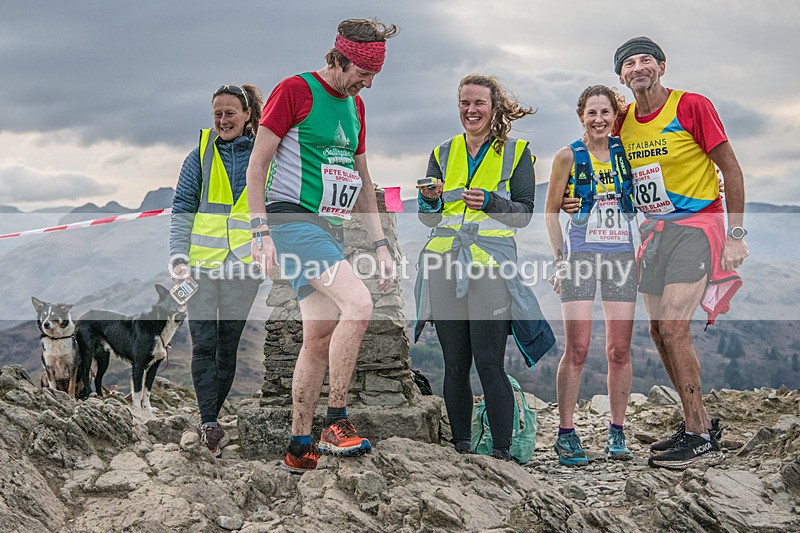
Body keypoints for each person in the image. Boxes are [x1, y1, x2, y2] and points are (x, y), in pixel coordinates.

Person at [245, 18, 397, 474]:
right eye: (362, 73)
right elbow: (258, 165)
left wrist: (381, 244)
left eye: (373, 77)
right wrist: (259, 231)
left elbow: (364, 182)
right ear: (339, 58)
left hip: (327, 229)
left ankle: (298, 444)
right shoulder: (295, 90)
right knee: (361, 304)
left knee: (316, 339)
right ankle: (337, 419)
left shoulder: (357, 108)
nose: (367, 83)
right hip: (292, 221)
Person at [611, 36, 747, 469]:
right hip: (656, 233)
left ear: (662, 66)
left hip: (698, 226)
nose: (638, 68)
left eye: (645, 59)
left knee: (673, 328)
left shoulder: (692, 106)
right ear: (621, 76)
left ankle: (697, 436)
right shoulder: (624, 121)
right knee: (656, 330)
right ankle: (700, 423)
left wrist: (737, 233)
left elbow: (730, 168)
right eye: (629, 63)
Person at [415, 74, 543, 461]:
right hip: (443, 265)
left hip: (490, 269)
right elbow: (428, 221)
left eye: (479, 104)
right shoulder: (442, 152)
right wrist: (429, 202)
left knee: (489, 363)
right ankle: (461, 447)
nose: (471, 110)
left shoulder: (517, 151)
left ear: (493, 108)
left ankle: (501, 452)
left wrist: (490, 200)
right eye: (465, 103)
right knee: (455, 365)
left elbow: (523, 214)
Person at [169, 84, 265, 457]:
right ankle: (209, 421)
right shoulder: (199, 157)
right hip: (201, 265)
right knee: (203, 343)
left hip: (244, 267)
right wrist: (178, 258)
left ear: (247, 115)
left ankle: (213, 416)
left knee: (228, 346)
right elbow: (182, 209)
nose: (223, 120)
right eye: (217, 114)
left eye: (230, 113)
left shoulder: (264, 153)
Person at [545, 85, 637, 466]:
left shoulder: (625, 154)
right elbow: (551, 211)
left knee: (619, 350)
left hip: (622, 255)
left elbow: (644, 200)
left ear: (615, 115)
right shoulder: (568, 155)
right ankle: (566, 434)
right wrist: (559, 258)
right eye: (592, 113)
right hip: (581, 253)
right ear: (581, 115)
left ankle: (617, 431)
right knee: (578, 348)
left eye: (606, 113)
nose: (599, 120)